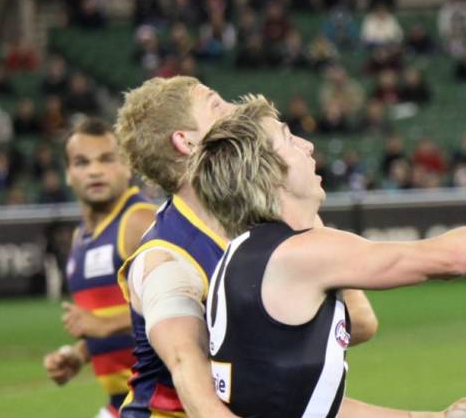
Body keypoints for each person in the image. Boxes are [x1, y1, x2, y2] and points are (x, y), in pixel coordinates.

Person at [190, 98, 466, 417]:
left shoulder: (247, 255)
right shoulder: (294, 255)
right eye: (289, 139)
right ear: (268, 173)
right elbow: (450, 259)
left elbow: (310, 407)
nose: (308, 145)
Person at [114, 76, 378, 418]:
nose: (237, 108)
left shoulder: (271, 213)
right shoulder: (167, 259)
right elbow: (187, 370)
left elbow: (360, 319)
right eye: (217, 104)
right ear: (186, 142)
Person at [41, 119, 159, 416]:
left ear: (128, 166)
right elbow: (109, 321)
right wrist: (81, 353)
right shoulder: (81, 237)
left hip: (161, 401)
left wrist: (105, 325)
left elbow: (191, 303)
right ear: (68, 174)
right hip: (124, 402)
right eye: (82, 162)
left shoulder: (140, 221)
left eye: (106, 159)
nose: (95, 170)